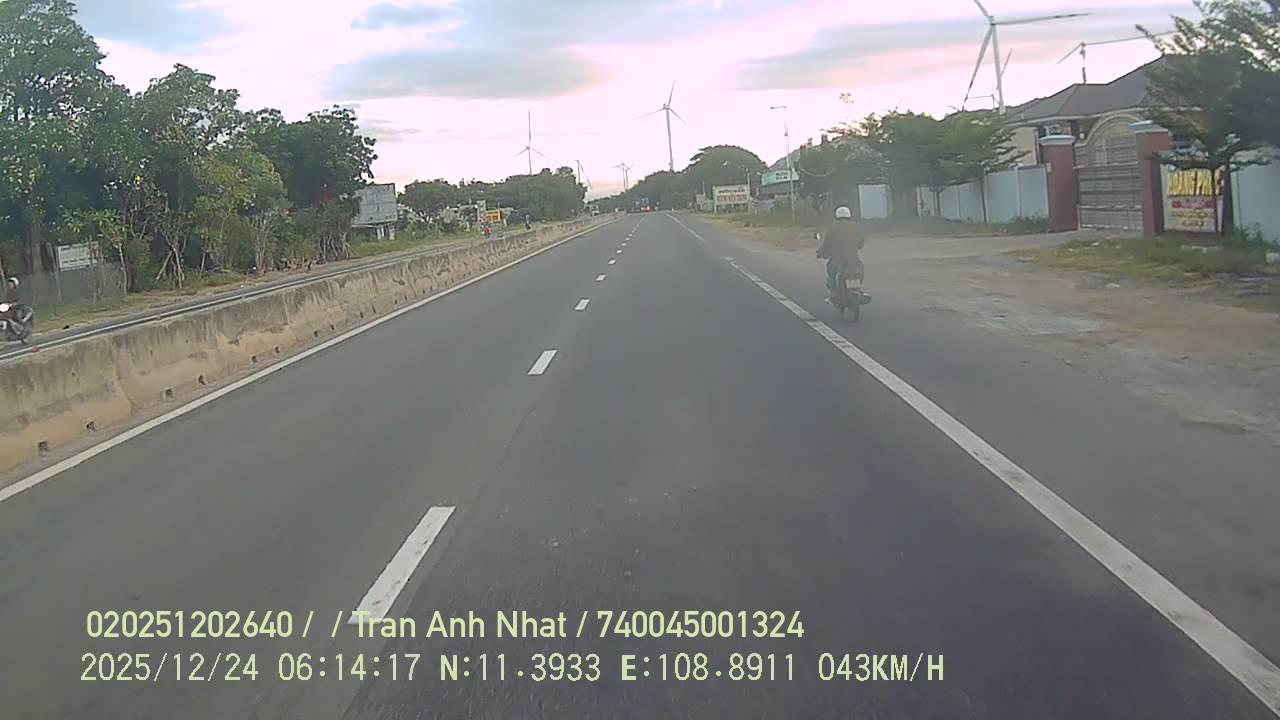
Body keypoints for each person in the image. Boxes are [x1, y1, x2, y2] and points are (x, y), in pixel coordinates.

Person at [816, 206, 865, 303]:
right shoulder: (855, 227)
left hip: (838, 260)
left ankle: (834, 294)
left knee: (830, 270)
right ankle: (858, 290)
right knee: (859, 270)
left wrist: (821, 253)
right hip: (854, 260)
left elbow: (826, 245)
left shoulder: (833, 228)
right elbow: (861, 242)